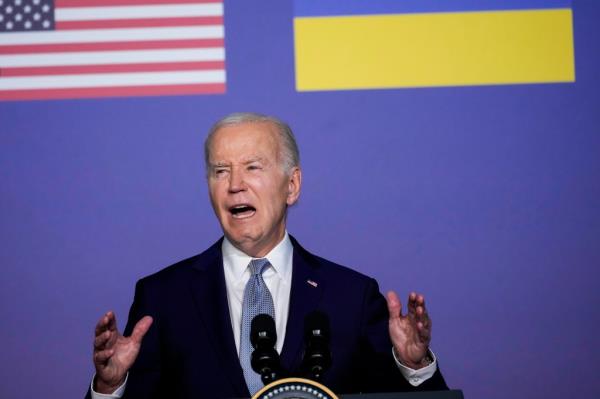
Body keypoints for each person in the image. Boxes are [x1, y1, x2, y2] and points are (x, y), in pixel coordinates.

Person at [88, 113, 448, 398]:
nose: (234, 184)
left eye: (252, 167)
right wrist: (111, 388)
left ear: (292, 186)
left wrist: (412, 366)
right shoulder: (163, 297)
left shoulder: (351, 296)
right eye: (220, 171)